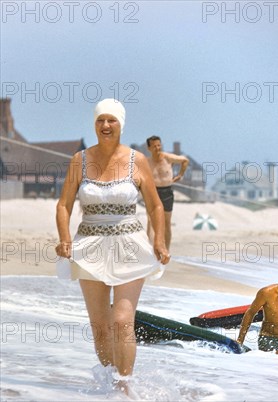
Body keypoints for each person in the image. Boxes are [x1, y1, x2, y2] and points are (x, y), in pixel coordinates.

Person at [55, 99, 170, 394]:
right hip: (89, 246)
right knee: (100, 326)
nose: (105, 126)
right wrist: (64, 239)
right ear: (95, 124)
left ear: (121, 124)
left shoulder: (137, 160)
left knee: (121, 321)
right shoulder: (79, 160)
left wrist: (159, 239)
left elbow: (156, 206)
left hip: (130, 246)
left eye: (112, 121)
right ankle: (107, 381)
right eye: (100, 120)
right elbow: (64, 205)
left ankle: (124, 386)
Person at [146, 135, 189, 251]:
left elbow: (185, 160)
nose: (157, 148)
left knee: (166, 223)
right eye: (154, 146)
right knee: (151, 221)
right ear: (149, 148)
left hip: (167, 192)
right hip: (153, 192)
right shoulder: (147, 161)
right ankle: (151, 249)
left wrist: (180, 175)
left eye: (159, 145)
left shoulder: (168, 158)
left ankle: (166, 250)